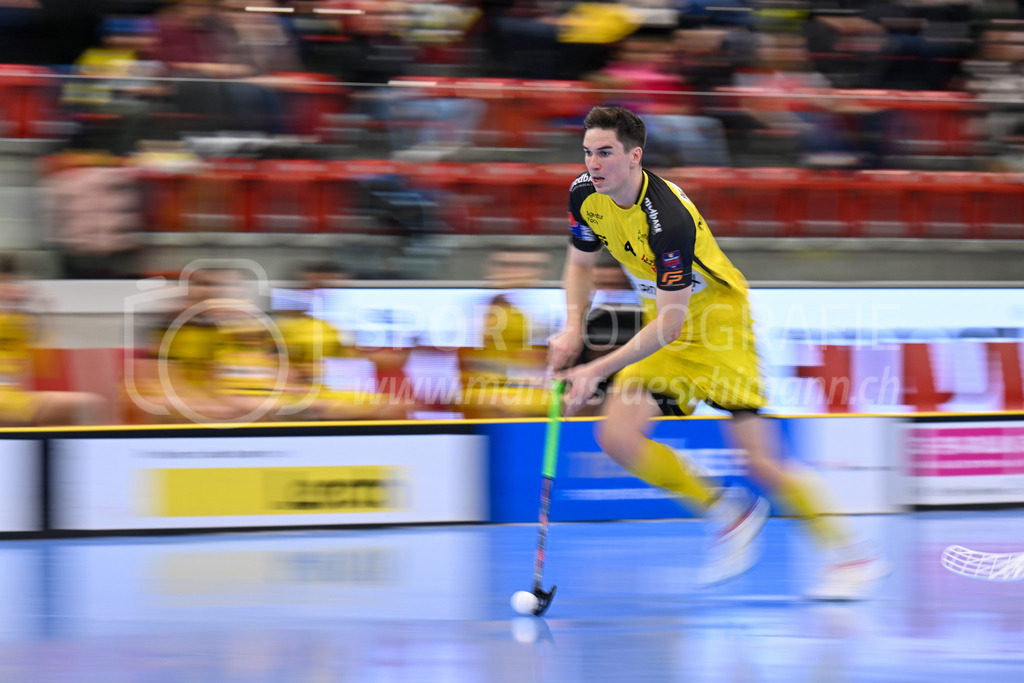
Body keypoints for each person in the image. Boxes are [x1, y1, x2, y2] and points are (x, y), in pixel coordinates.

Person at [546, 105, 890, 600]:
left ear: (633, 156)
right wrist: (571, 330)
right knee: (617, 436)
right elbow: (579, 267)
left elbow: (671, 322)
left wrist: (594, 369)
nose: (593, 163)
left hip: (719, 327)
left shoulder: (668, 219)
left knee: (761, 463)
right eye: (587, 153)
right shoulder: (585, 195)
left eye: (605, 153)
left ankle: (852, 556)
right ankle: (731, 512)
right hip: (665, 325)